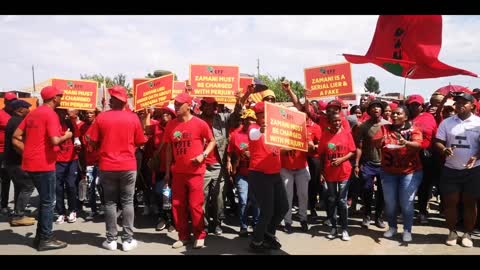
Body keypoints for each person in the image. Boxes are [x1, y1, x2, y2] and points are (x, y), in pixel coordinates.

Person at [87, 86, 147, 252]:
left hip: (107, 166)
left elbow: (91, 140)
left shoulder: (101, 118)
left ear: (113, 100)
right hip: (128, 165)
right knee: (128, 202)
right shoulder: (133, 118)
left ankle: (111, 240)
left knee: (110, 202)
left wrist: (99, 144)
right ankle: (127, 240)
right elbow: (141, 141)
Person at [13, 86, 71, 251]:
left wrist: (29, 153)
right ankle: (46, 239)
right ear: (54, 98)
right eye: (60, 96)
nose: (61, 99)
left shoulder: (33, 113)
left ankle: (40, 238)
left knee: (45, 201)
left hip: (32, 163)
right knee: (48, 202)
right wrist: (67, 136)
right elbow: (54, 140)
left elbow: (16, 136)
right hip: (44, 164)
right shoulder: (50, 114)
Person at [164, 93, 216, 249]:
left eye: (180, 104)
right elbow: (168, 150)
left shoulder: (200, 124)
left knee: (195, 206)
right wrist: (167, 172)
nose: (177, 106)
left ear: (189, 106)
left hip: (196, 173)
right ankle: (183, 236)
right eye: (175, 104)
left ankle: (200, 235)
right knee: (177, 205)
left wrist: (203, 155)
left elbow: (212, 141)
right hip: (178, 173)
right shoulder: (171, 125)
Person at [435, 91, 480, 248]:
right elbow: (438, 142)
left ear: (472, 106)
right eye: (457, 103)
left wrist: (477, 157)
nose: (459, 105)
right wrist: (444, 149)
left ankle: (467, 233)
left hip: (473, 170)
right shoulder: (447, 123)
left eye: (463, 103)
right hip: (450, 169)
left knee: (470, 203)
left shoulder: (478, 123)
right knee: (450, 202)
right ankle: (452, 231)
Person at [248, 101, 289, 252]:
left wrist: (293, 146)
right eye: (261, 115)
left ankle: (268, 234)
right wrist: (261, 130)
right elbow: (253, 136)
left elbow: (279, 149)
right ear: (257, 117)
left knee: (283, 207)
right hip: (259, 175)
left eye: (267, 115)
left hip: (275, 174)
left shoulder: (276, 129)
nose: (264, 118)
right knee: (267, 211)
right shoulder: (254, 128)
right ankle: (257, 242)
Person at [380, 106, 424, 242]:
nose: (394, 116)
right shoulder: (385, 128)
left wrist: (406, 143)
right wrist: (378, 141)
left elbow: (418, 145)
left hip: (410, 172)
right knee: (390, 203)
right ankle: (392, 227)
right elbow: (375, 142)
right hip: (388, 172)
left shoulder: (414, 130)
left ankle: (407, 230)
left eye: (398, 114)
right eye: (393, 113)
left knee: (406, 203)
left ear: (405, 117)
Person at [318, 112, 356, 241]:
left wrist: (341, 160)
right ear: (329, 122)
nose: (337, 123)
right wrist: (321, 172)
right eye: (334, 121)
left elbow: (352, 151)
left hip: (344, 171)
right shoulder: (325, 135)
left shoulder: (346, 134)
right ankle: (334, 228)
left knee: (342, 201)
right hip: (329, 173)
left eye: (339, 121)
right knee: (332, 200)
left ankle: (344, 229)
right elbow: (321, 155)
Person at [354, 99, 390, 229]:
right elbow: (359, 147)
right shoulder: (363, 126)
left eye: (378, 107)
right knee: (367, 190)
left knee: (383, 192)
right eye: (373, 107)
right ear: (368, 111)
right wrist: (357, 165)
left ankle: (378, 217)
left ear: (382, 110)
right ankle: (367, 215)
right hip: (368, 163)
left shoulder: (388, 125)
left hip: (385, 165)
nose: (376, 109)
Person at [226, 109, 260, 237]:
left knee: (256, 201)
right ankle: (243, 226)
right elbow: (230, 151)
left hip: (256, 173)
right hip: (241, 172)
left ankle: (257, 225)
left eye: (252, 119)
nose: (250, 121)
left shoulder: (259, 133)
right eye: (247, 119)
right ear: (243, 120)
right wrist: (230, 162)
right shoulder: (235, 134)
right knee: (243, 199)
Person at [5, 100, 35, 226]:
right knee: (28, 185)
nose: (29, 110)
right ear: (20, 110)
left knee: (19, 186)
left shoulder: (12, 121)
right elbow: (16, 142)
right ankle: (19, 215)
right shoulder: (17, 122)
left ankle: (18, 213)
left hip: (11, 161)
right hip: (17, 161)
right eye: (27, 108)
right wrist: (27, 155)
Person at [0, 92, 17, 214]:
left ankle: (18, 206)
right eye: (11, 102)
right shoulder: (0, 114)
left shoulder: (17, 114)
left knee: (17, 179)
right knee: (5, 179)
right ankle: (4, 205)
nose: (13, 104)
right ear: (5, 102)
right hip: (2, 151)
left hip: (15, 150)